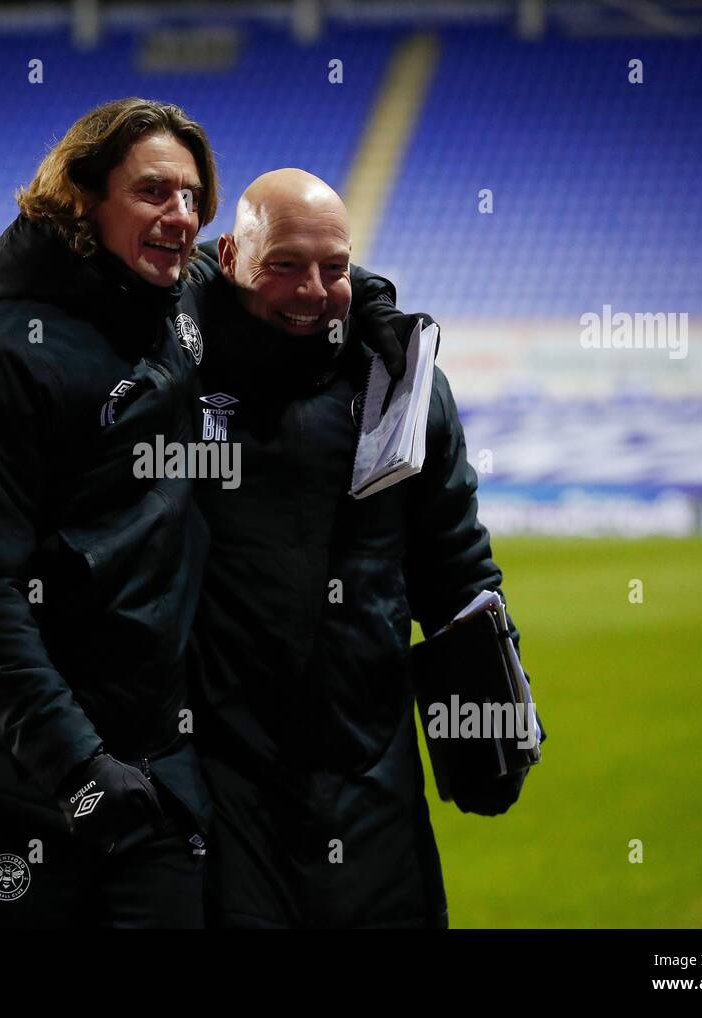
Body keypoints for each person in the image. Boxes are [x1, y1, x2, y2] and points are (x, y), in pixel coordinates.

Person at [0, 97, 221, 928]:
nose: (180, 217)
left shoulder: (178, 305)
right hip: (14, 781)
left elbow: (280, 260)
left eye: (191, 196)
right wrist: (78, 768)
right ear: (81, 197)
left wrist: (372, 304)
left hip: (152, 772)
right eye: (154, 192)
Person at [180, 169, 535, 929]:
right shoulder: (173, 376)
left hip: (372, 773)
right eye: (284, 265)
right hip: (218, 778)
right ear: (230, 257)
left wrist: (490, 728)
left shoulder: (401, 387)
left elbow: (456, 568)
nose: (312, 290)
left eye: (333, 268)